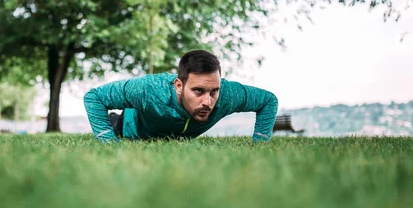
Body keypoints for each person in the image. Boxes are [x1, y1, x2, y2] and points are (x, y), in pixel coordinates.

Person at [83, 50, 278, 142]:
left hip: (174, 134)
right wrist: (109, 141)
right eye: (198, 91)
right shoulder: (148, 89)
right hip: (128, 126)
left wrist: (259, 143)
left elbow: (268, 100)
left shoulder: (227, 95)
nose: (207, 102)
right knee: (115, 121)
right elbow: (94, 97)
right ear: (178, 85)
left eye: (213, 92)